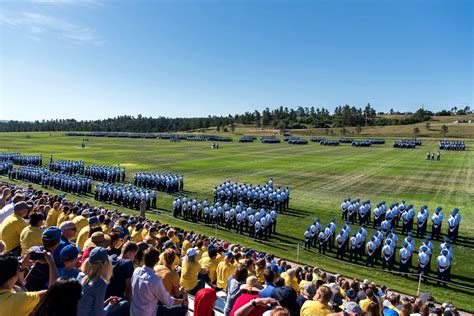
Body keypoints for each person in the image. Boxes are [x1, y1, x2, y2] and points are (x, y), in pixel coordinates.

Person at [130, 246, 188, 316]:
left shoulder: (136, 271)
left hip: (134, 312)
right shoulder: (155, 279)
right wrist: (182, 302)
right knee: (183, 307)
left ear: (143, 258)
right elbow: (168, 301)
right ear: (157, 261)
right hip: (148, 312)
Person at [0, 252, 53, 316]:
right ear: (12, 277)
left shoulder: (11, 295)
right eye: (18, 267)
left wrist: (22, 266)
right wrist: (51, 262)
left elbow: (17, 283)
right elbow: (52, 292)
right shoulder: (19, 301)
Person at [77, 247, 122, 316]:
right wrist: (110, 305)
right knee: (123, 304)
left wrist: (105, 303)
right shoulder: (100, 283)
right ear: (105, 264)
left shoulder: (80, 276)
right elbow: (99, 314)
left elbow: (87, 304)